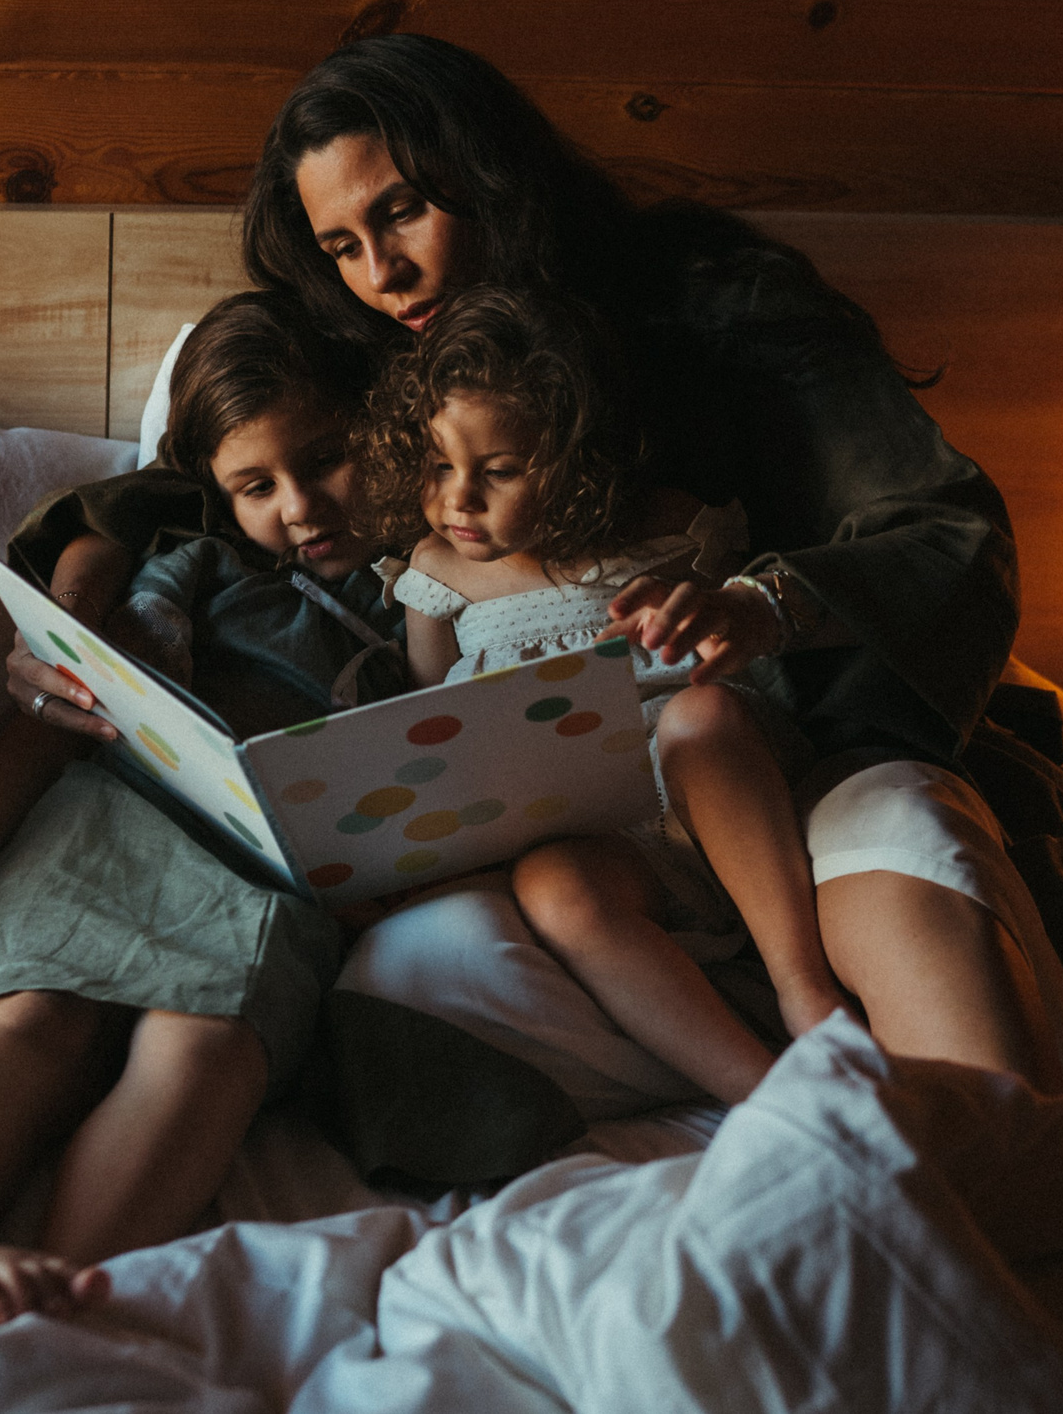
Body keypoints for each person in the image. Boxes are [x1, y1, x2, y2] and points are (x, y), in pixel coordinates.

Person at [9, 35, 1063, 1176]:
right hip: (578, 851)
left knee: (913, 880)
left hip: (796, 751)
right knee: (411, 979)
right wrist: (71, 610)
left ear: (491, 175)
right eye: (341, 245)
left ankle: (991, 1174)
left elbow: (946, 529)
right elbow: (189, 480)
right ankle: (782, 1107)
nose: (382, 273)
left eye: (403, 211)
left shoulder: (711, 303)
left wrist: (764, 604)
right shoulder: (384, 345)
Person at [0, 290, 399, 1358]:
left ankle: (59, 1300)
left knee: (209, 1046)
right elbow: (63, 711)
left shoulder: (429, 588)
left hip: (269, 872)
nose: (301, 505)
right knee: (29, 1016)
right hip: (110, 817)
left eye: (326, 459)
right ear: (213, 489)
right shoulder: (191, 562)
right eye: (256, 485)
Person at [359, 284, 851, 1106]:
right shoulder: (434, 575)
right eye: (439, 465)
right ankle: (761, 1095)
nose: (458, 499)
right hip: (592, 832)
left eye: (499, 471)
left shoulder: (677, 530)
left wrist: (704, 615)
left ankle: (804, 990)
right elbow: (433, 721)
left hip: (709, 796)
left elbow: (757, 640)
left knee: (700, 715)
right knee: (555, 888)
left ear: (577, 458)